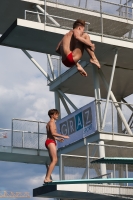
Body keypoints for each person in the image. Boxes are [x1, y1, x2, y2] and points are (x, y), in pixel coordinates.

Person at [44, 109, 69, 183]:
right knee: (54, 160)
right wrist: (63, 136)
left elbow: (51, 134)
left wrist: (58, 139)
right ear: (52, 115)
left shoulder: (51, 122)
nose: (57, 115)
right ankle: (47, 178)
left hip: (51, 141)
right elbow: (53, 133)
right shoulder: (51, 122)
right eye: (56, 114)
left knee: (53, 160)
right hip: (50, 142)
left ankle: (47, 178)